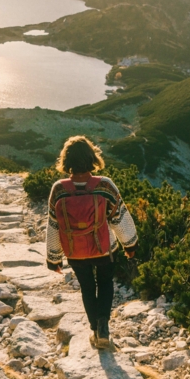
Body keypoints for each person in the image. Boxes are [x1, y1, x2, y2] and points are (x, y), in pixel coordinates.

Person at [46, 135, 138, 348]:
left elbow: (53, 225)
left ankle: (95, 332)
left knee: (87, 288)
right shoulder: (104, 185)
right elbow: (119, 217)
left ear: (66, 160)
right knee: (105, 284)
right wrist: (130, 245)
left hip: (75, 252)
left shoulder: (59, 189)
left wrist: (54, 258)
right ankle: (104, 327)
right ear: (91, 158)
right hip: (103, 249)